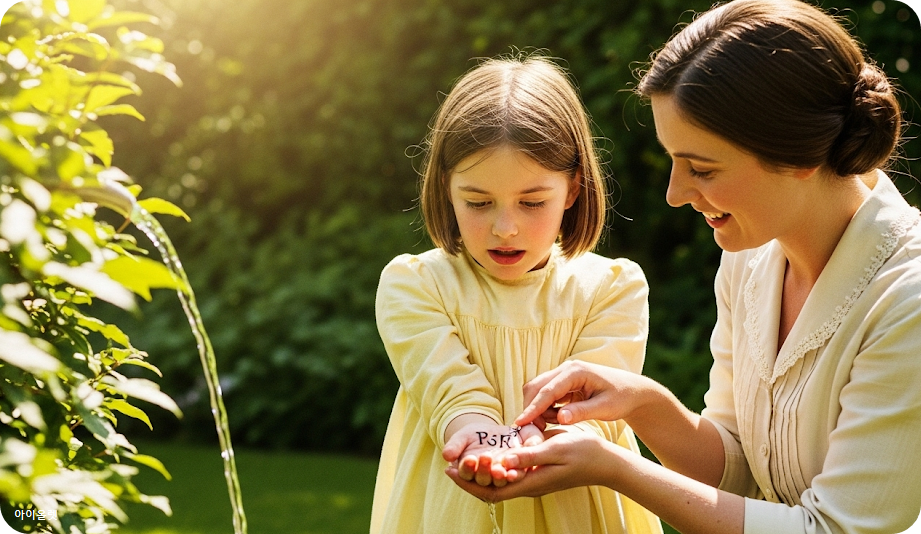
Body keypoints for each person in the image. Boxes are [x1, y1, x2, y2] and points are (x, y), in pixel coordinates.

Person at [445, 1, 921, 534]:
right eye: (673, 160)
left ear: (798, 156)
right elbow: (739, 471)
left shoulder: (908, 300)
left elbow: (836, 529)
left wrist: (616, 469)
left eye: (701, 168)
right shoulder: (749, 257)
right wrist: (641, 403)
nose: (674, 193)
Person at [371, 55, 663, 534]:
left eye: (532, 202)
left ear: (572, 189)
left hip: (578, 508)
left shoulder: (612, 289)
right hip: (454, 513)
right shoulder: (415, 284)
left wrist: (546, 440)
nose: (505, 228)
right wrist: (476, 438)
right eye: (478, 202)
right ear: (446, 187)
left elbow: (594, 409)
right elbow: (449, 388)